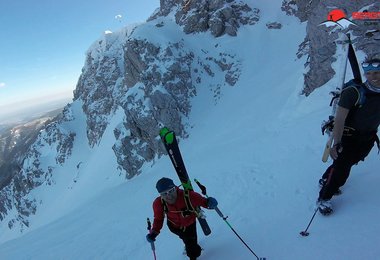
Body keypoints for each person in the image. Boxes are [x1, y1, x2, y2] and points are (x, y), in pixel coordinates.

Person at [318, 57, 380, 215]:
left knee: (350, 162)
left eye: (377, 72)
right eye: (370, 73)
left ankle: (326, 178)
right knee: (341, 171)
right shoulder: (354, 93)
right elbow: (339, 119)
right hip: (348, 137)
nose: (374, 76)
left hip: (367, 138)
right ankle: (324, 198)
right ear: (365, 74)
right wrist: (336, 143)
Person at [146, 177, 218, 260]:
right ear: (160, 195)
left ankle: (193, 255)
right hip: (173, 226)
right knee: (185, 238)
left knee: (192, 248)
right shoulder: (158, 203)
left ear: (175, 188)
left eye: (171, 191)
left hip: (189, 225)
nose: (169, 195)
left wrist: (210, 202)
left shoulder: (188, 196)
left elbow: (204, 202)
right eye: (164, 194)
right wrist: (154, 232)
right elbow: (158, 219)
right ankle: (188, 245)